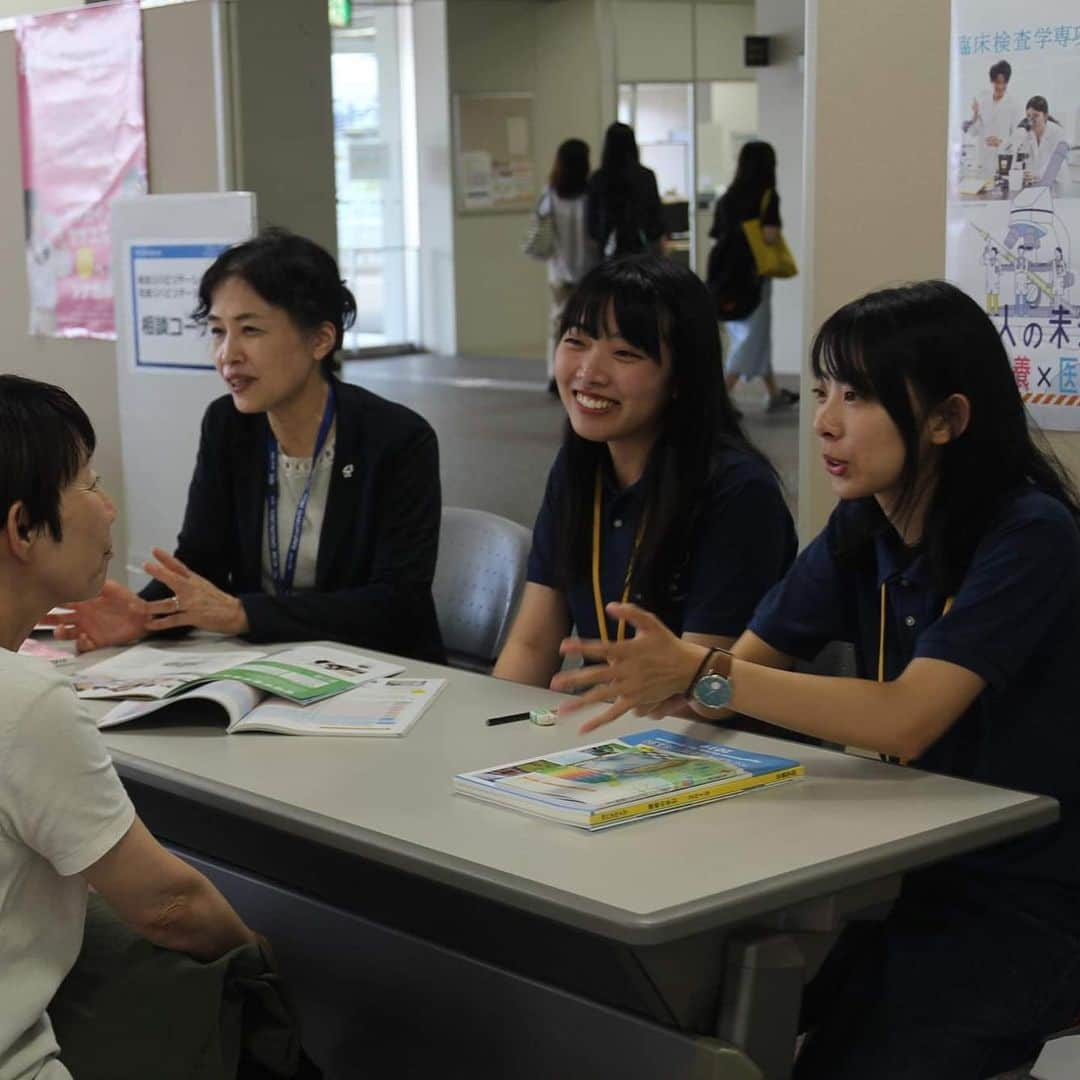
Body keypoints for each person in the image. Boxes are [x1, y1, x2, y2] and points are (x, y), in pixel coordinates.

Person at [552, 280, 1080, 1079]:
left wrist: (703, 671)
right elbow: (741, 674)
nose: (826, 419)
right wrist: (675, 678)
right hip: (889, 867)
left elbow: (905, 718)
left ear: (947, 420)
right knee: (677, 1009)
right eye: (824, 388)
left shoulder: (1030, 533)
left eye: (858, 397)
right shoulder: (863, 522)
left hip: (1024, 888)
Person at [0, 375, 260, 1080]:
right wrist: (262, 964)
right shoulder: (24, 702)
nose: (109, 509)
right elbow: (171, 907)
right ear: (23, 528)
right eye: (89, 485)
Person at [46, 228, 444, 662]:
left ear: (320, 340)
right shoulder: (228, 426)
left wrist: (244, 614)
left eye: (250, 330)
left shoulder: (397, 439)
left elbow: (397, 604)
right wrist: (146, 615)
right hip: (268, 666)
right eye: (218, 332)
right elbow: (202, 562)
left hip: (384, 671)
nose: (228, 354)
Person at [492, 254, 796, 690]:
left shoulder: (738, 491)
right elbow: (533, 645)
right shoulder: (579, 469)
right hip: (602, 730)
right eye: (576, 341)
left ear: (681, 377)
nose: (588, 372)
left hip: (703, 743)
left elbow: (703, 688)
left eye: (625, 353)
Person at [708, 141, 798, 413]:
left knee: (749, 334)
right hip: (753, 275)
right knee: (751, 336)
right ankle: (721, 395)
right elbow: (770, 236)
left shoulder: (728, 197)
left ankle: (774, 392)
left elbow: (715, 233)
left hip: (724, 273)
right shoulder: (767, 196)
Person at [537, 138, 599, 395]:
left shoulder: (550, 193)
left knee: (559, 325)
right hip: (590, 271)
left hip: (559, 273)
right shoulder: (592, 195)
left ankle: (555, 374)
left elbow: (540, 225)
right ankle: (587, 372)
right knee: (592, 328)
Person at [585, 123, 665, 260]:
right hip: (640, 250)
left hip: (607, 252)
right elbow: (655, 218)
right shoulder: (646, 176)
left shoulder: (598, 179)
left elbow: (592, 225)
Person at [963, 59, 1018, 177]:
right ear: (992, 81)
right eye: (997, 82)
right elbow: (973, 132)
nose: (1000, 86)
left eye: (1004, 83)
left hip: (1002, 160)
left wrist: (1000, 142)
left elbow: (1017, 136)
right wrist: (975, 113)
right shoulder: (983, 102)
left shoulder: (1012, 104)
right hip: (983, 161)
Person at [1018, 95, 1070, 194]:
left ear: (1045, 116)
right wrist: (1024, 173)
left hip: (1057, 185)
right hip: (1037, 185)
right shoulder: (1027, 134)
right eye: (1028, 116)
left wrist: (1036, 174)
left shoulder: (1057, 133)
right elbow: (1024, 159)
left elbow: (1054, 164)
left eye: (1036, 115)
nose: (1031, 120)